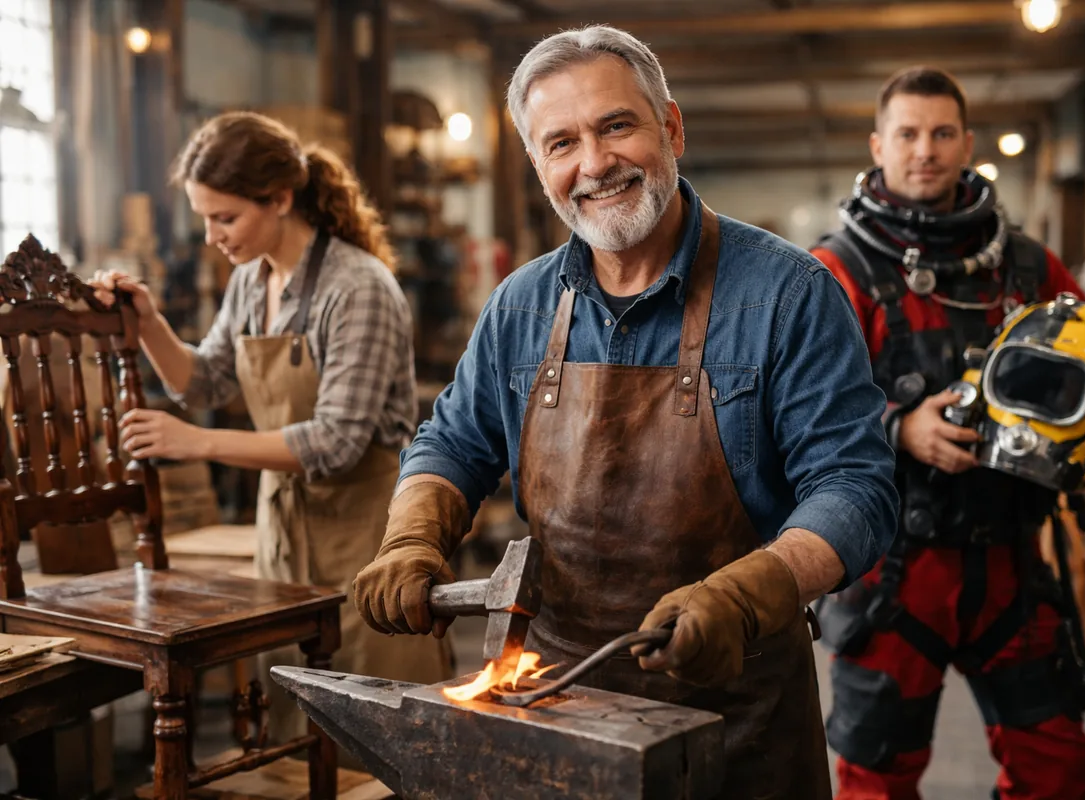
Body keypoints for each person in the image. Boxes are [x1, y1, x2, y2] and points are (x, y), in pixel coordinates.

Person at [351, 24, 899, 799]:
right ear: (538, 164)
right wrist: (411, 538)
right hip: (553, 704)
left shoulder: (788, 294)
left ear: (670, 127)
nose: (595, 163)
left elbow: (857, 489)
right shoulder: (521, 305)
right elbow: (452, 441)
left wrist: (747, 595)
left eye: (616, 126)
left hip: (734, 722)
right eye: (562, 142)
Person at [809, 67, 1085, 800]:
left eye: (942, 133)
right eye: (908, 134)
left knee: (1058, 769)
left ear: (967, 143)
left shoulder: (1028, 266)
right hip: (894, 573)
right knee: (874, 783)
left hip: (1013, 558)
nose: (926, 150)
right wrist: (897, 427)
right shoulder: (834, 272)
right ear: (878, 144)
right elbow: (798, 417)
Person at [89, 112, 454, 743]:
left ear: (280, 199)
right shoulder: (251, 282)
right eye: (204, 218)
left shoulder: (358, 287)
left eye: (225, 218)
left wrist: (197, 441)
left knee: (374, 726)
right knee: (294, 720)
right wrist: (147, 322)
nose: (211, 236)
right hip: (283, 532)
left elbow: (336, 442)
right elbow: (206, 381)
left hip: (363, 536)